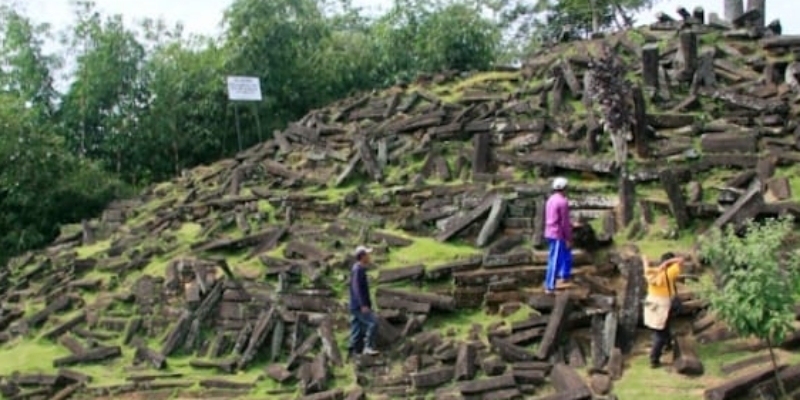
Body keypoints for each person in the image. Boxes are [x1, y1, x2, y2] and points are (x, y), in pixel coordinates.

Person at [643, 252, 685, 369]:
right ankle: (654, 359)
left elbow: (645, 265)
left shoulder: (651, 272)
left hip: (650, 301)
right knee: (659, 332)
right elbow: (681, 260)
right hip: (662, 302)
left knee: (660, 325)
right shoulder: (669, 273)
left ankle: (667, 344)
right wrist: (669, 262)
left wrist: (646, 260)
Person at [544, 177, 574, 294]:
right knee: (555, 259)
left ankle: (565, 274)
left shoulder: (550, 199)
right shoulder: (563, 202)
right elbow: (564, 222)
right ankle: (549, 285)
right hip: (557, 233)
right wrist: (568, 237)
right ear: (564, 188)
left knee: (565, 253)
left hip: (550, 231)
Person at [348, 245, 379, 357]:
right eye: (367, 254)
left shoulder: (358, 269)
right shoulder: (358, 269)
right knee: (373, 323)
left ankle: (353, 351)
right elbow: (356, 288)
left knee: (356, 328)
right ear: (362, 256)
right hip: (359, 305)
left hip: (355, 305)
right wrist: (363, 305)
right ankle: (368, 347)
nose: (369, 256)